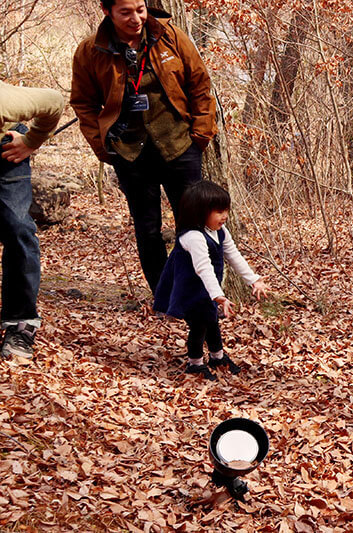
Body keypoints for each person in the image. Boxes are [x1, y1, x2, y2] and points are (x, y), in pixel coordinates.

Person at [70, 0, 216, 293]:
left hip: (179, 146)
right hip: (129, 152)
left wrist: (200, 134)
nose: (135, 18)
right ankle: (163, 296)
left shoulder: (171, 36)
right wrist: (102, 146)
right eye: (125, 12)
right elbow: (83, 103)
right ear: (107, 11)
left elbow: (199, 84)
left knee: (193, 226)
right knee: (147, 229)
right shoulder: (91, 51)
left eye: (140, 9)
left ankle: (197, 292)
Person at [153, 181, 266, 380]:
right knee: (199, 325)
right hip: (188, 290)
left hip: (206, 289)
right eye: (218, 212)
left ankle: (217, 357)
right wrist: (219, 296)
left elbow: (233, 255)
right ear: (199, 212)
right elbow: (202, 267)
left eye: (226, 211)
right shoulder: (193, 237)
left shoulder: (220, 232)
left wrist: (253, 280)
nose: (224, 216)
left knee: (212, 321)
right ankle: (195, 363)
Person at [0, 80, 64, 359]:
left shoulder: (6, 100)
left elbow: (54, 100)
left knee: (17, 227)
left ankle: (20, 325)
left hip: (6, 149)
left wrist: (31, 141)